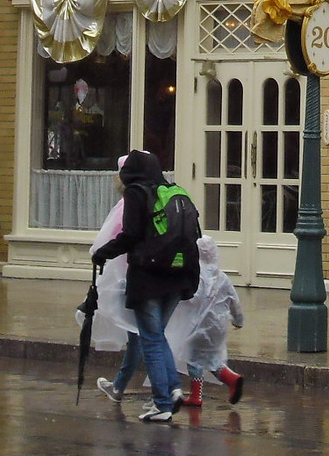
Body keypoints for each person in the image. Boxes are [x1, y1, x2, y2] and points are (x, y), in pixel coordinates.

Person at [91, 150, 200, 423]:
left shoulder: (136, 193)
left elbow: (130, 235)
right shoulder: (173, 190)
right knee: (157, 335)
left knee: (150, 339)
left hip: (149, 276)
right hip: (178, 274)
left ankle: (162, 403)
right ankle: (173, 389)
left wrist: (102, 253)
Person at [180, 236, 246, 407]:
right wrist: (238, 320)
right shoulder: (222, 277)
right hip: (217, 326)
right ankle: (231, 379)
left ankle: (199, 394)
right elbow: (234, 301)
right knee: (210, 357)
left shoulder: (196, 276)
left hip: (199, 325)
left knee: (194, 357)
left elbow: (190, 299)